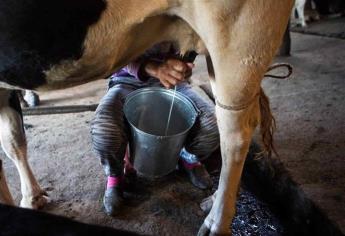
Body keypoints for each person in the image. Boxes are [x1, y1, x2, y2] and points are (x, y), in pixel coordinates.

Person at [91, 42, 219, 216]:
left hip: (172, 83)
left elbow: (187, 46)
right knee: (104, 131)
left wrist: (182, 67)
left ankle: (187, 155)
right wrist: (155, 68)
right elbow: (111, 55)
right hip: (126, 81)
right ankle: (116, 174)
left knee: (212, 125)